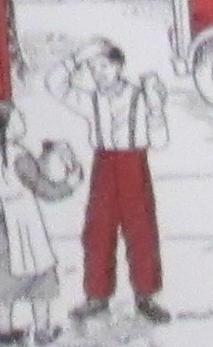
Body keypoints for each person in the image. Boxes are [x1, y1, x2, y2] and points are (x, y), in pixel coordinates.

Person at [71, 39, 171, 323]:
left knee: (140, 229)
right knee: (97, 229)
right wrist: (79, 56)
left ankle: (146, 296)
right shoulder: (91, 99)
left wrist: (156, 109)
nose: (98, 73)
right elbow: (55, 84)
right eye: (93, 68)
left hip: (133, 163)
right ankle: (97, 295)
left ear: (118, 66)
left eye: (104, 66)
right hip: (103, 163)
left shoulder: (141, 95)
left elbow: (160, 141)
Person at [0, 127, 79, 347]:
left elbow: (28, 175)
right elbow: (43, 187)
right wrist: (71, 182)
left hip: (0, 223)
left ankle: (5, 331)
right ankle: (42, 330)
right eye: (17, 116)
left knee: (1, 278)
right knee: (40, 278)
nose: (22, 120)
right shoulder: (19, 155)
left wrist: (45, 156)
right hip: (23, 223)